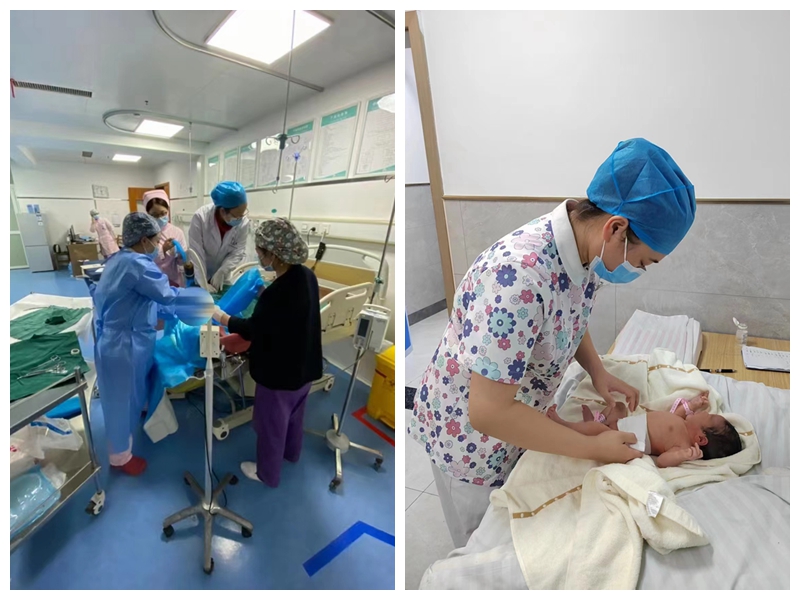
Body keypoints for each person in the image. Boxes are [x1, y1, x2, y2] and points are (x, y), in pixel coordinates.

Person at [408, 137, 696, 547]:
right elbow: (488, 412)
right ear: (617, 229)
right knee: (484, 546)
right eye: (643, 262)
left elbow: (567, 317)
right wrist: (593, 448)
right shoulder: (519, 278)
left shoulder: (584, 251)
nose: (638, 270)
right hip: (470, 440)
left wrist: (599, 372)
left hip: (519, 414)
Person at [213, 218, 322, 487]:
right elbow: (288, 312)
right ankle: (291, 454)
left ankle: (267, 474)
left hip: (279, 377)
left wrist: (222, 317)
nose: (259, 257)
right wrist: (263, 292)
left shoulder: (279, 293)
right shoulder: (306, 276)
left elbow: (253, 329)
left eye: (260, 252)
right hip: (305, 369)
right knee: (294, 418)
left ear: (274, 254)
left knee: (272, 427)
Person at [93, 212, 183, 475]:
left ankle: (137, 417)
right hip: (124, 345)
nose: (157, 245)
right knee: (121, 402)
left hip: (117, 338)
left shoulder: (118, 259)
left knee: (128, 392)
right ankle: (120, 457)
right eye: (155, 239)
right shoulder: (140, 265)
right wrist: (199, 301)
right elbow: (167, 296)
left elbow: (138, 299)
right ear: (144, 240)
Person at [546, 391, 742, 467]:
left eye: (708, 416)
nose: (705, 412)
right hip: (625, 422)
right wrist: (693, 404)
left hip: (625, 437)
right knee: (619, 407)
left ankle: (565, 424)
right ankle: (596, 422)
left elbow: (662, 461)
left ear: (700, 438)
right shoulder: (682, 423)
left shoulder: (682, 445)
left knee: (597, 430)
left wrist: (682, 456)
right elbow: (678, 413)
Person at [188, 181, 249, 293]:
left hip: (223, 277)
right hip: (201, 273)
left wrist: (223, 271)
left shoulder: (243, 222)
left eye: (243, 213)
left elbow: (238, 251)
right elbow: (196, 253)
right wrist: (203, 282)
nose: (241, 218)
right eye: (237, 215)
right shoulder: (201, 218)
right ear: (222, 211)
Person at [143, 189, 187, 287]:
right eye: (154, 215)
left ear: (168, 210)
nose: (159, 218)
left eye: (163, 213)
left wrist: (179, 254)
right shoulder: (144, 234)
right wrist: (163, 250)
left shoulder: (177, 232)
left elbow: (183, 261)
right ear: (148, 214)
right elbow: (143, 260)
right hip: (152, 280)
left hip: (174, 280)